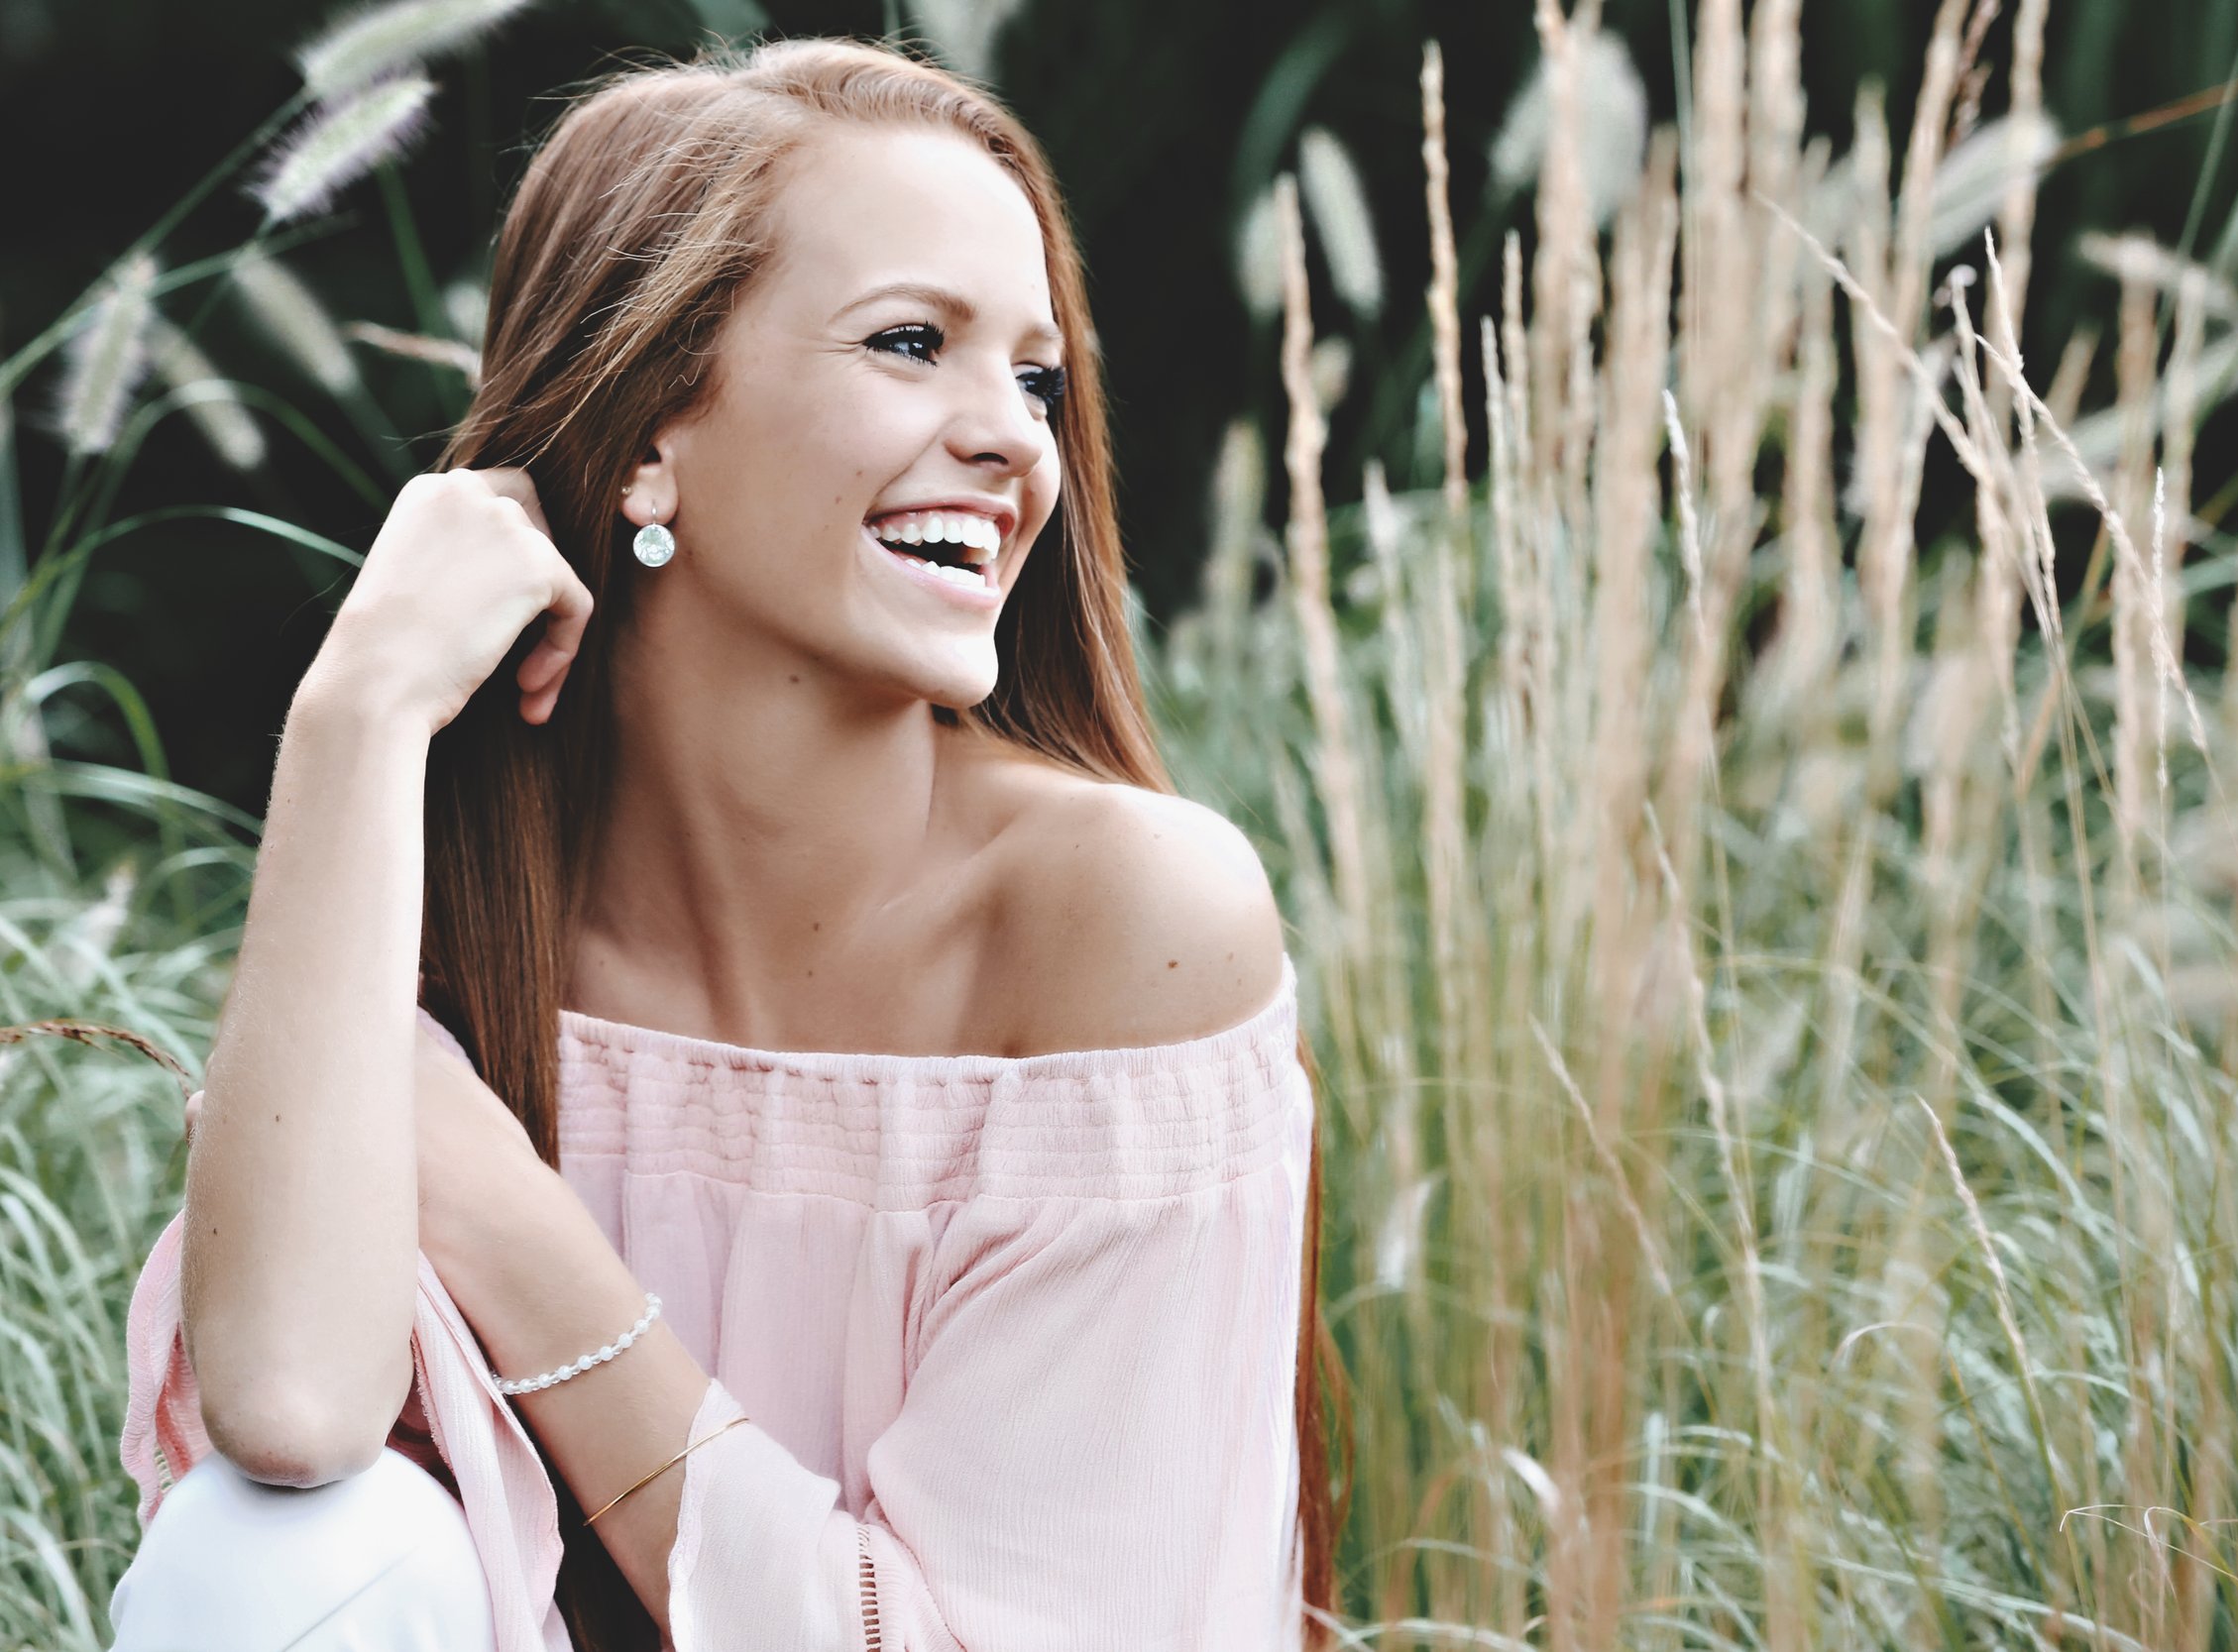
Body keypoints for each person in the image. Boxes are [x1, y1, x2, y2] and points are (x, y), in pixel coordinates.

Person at [106, 35, 1341, 1652]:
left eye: (1033, 374)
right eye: (913, 343)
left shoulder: (1125, 918)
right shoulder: (449, 897)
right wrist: (358, 716)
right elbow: (285, 1413)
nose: (1014, 440)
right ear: (644, 434)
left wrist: (503, 1218)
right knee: (267, 1558)